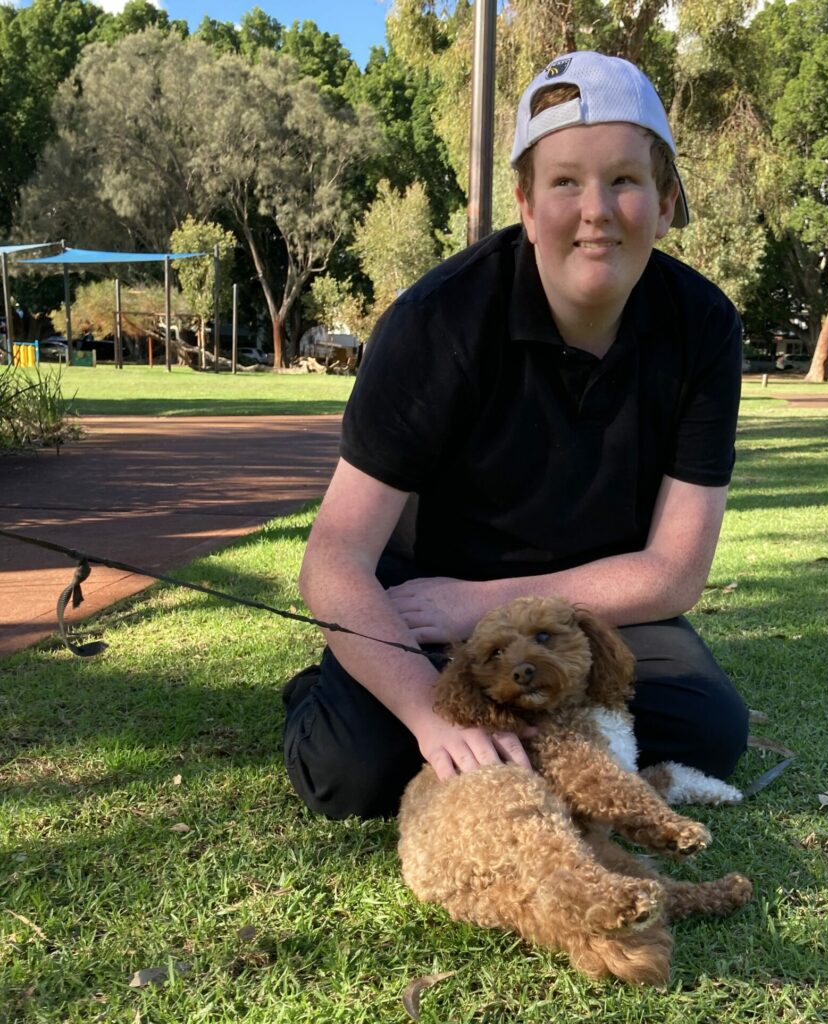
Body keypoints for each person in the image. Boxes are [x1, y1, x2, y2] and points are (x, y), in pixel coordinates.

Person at [283, 50, 747, 819]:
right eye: (565, 181)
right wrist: (429, 713)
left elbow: (673, 572)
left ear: (665, 202)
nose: (595, 209)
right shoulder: (435, 324)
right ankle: (324, 687)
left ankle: (524, 736)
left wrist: (488, 603)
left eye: (624, 180)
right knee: (353, 772)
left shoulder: (703, 327)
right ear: (528, 207)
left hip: (589, 612)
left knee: (707, 730)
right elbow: (333, 561)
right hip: (428, 610)